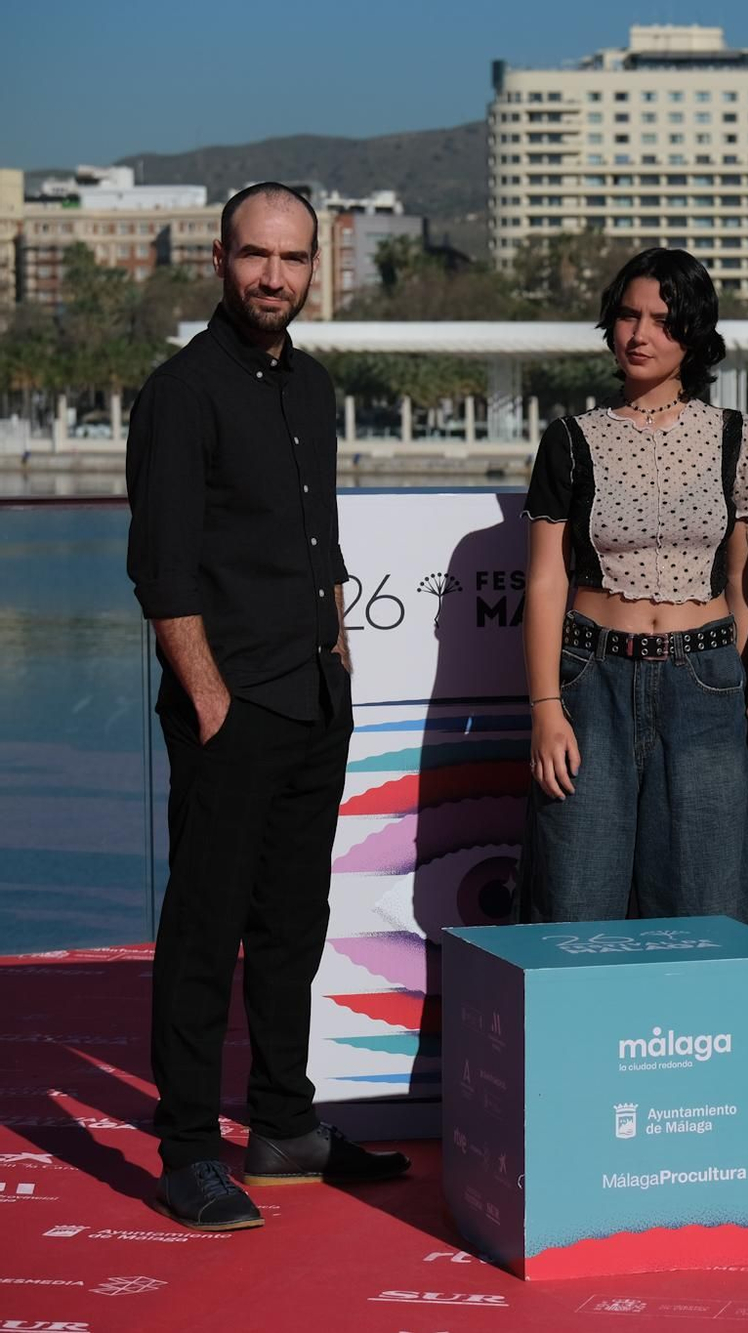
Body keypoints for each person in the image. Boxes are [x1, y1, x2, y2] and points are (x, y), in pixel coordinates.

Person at [126, 182, 408, 1232]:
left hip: (312, 698)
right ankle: (188, 1147)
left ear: (315, 265)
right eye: (256, 257)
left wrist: (338, 663)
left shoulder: (315, 387)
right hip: (231, 706)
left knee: (293, 925)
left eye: (292, 260)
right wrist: (209, 704)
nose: (274, 277)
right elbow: (161, 571)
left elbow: (319, 547)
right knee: (204, 932)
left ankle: (284, 1122)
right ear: (222, 258)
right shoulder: (182, 391)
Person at [520, 248, 748, 925]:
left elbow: (746, 577)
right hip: (591, 682)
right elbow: (544, 580)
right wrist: (546, 707)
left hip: (707, 683)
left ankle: (702, 1035)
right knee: (575, 896)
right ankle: (575, 1035)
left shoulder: (735, 438)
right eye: (628, 315)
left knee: (709, 903)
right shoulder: (571, 439)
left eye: (662, 320)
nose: (639, 334)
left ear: (694, 335)